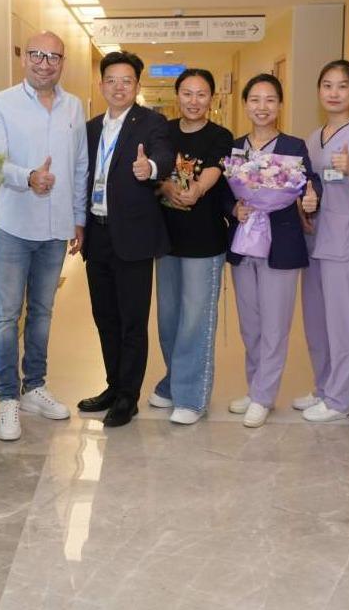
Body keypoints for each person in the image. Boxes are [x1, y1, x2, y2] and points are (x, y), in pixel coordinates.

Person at [0, 31, 89, 441]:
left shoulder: (73, 106)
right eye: (37, 55)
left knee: (43, 312)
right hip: (14, 224)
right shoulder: (1, 104)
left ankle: (34, 387)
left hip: (56, 226)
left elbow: (79, 165)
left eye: (53, 57)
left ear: (63, 63)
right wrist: (28, 177)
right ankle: (7, 398)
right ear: (24, 58)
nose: (45, 63)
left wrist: (78, 217)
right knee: (8, 315)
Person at [77, 50, 174, 428]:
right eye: (111, 81)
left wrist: (150, 167)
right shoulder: (90, 129)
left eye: (127, 81)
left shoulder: (151, 122)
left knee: (133, 320)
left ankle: (127, 397)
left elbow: (164, 155)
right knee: (105, 318)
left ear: (137, 85)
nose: (118, 88)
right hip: (97, 233)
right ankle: (113, 386)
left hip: (133, 237)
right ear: (101, 85)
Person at [226, 74, 319, 427]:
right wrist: (233, 208)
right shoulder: (236, 148)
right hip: (244, 243)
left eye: (270, 100)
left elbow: (309, 184)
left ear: (280, 105)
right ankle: (255, 389)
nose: (262, 107)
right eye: (255, 100)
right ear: (245, 104)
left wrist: (311, 197)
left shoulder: (294, 146)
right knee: (250, 325)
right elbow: (223, 193)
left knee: (275, 325)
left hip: (281, 244)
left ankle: (264, 396)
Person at [296, 60, 349, 422]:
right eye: (327, 85)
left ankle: (340, 400)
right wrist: (303, 208)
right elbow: (308, 187)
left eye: (342, 86)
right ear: (319, 91)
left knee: (343, 324)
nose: (334, 93)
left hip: (344, 242)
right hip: (314, 240)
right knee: (316, 322)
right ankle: (323, 387)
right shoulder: (313, 138)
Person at [149, 68, 233, 425]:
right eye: (187, 93)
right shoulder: (162, 131)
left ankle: (192, 397)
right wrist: (166, 187)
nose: (193, 101)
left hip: (204, 242)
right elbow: (154, 173)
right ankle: (173, 382)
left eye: (201, 94)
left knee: (196, 320)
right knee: (169, 319)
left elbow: (214, 169)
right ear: (177, 95)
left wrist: (197, 189)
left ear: (211, 98)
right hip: (166, 241)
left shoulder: (220, 135)